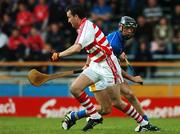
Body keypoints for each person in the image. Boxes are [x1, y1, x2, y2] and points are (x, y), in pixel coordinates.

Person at [61, 16, 160, 132]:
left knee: (114, 104)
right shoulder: (115, 44)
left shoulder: (119, 40)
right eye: (127, 28)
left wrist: (118, 54)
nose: (129, 31)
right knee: (112, 105)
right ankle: (144, 122)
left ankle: (144, 121)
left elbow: (105, 57)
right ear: (121, 27)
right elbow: (113, 66)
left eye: (132, 29)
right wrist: (132, 78)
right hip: (100, 70)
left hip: (104, 68)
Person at [51, 4, 123, 131]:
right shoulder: (82, 29)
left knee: (114, 104)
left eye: (69, 17)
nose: (68, 20)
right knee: (75, 88)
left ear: (76, 16)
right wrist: (87, 64)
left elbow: (77, 48)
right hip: (96, 65)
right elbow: (91, 48)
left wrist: (59, 54)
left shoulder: (86, 27)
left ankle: (143, 122)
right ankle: (94, 116)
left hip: (108, 65)